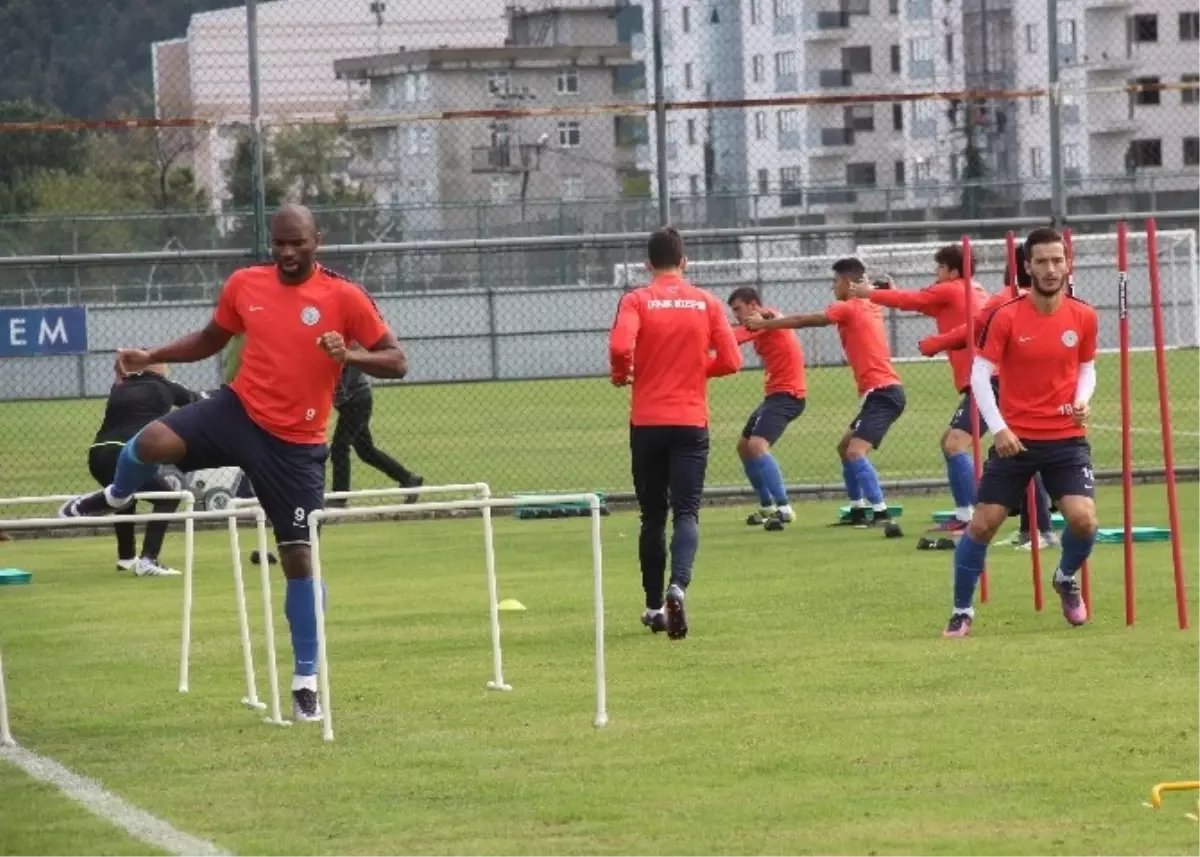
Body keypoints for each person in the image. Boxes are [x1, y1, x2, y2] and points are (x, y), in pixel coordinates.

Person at [57, 203, 407, 721]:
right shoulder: (246, 284)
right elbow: (209, 339)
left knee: (299, 559)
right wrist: (151, 356)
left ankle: (305, 682)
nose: (287, 252)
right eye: (279, 243)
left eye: (297, 243)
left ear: (318, 240)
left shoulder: (345, 296)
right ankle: (115, 495)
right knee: (150, 441)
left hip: (295, 444)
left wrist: (350, 356)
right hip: (237, 412)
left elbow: (397, 361)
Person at [942, 227, 1099, 637]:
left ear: (1068, 264)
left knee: (1084, 521)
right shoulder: (1007, 315)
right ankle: (961, 611)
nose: (1051, 269)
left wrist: (1082, 399)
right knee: (983, 524)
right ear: (1027, 267)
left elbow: (1086, 367)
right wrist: (999, 429)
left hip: (1065, 439)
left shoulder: (1084, 315)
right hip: (1015, 440)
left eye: (1057, 260)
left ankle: (1064, 577)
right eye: (1041, 261)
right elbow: (980, 376)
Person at [608, 226, 742, 640]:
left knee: (652, 516)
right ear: (685, 262)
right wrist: (697, 370)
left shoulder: (637, 299)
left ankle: (653, 607)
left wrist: (622, 374)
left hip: (648, 422)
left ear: (647, 264)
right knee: (687, 512)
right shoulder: (706, 302)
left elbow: (620, 347)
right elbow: (732, 360)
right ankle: (678, 587)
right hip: (690, 421)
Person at [744, 257, 904, 537]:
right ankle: (857, 509)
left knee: (855, 452)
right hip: (879, 393)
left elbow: (806, 320)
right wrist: (886, 286)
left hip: (884, 393)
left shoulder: (850, 307)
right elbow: (886, 290)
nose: (832, 286)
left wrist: (765, 324)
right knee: (844, 448)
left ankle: (880, 512)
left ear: (847, 283)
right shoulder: (871, 302)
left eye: (835, 281)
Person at [919, 244, 1058, 551]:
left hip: (1010, 386)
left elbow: (973, 330)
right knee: (1015, 452)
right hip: (1020, 383)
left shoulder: (1007, 298)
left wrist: (935, 343)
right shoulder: (1032, 300)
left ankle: (1032, 526)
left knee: (1014, 452)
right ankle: (1033, 528)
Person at [849, 246, 987, 536]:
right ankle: (966, 514)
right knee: (951, 443)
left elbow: (914, 300)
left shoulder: (952, 289)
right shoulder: (970, 290)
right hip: (983, 380)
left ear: (953, 271)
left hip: (985, 381)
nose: (936, 272)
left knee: (955, 445)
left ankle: (979, 516)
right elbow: (921, 304)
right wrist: (891, 293)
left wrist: (869, 293)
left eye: (939, 268)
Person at [88, 361, 207, 577]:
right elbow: (198, 402)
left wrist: (119, 372)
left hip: (97, 454)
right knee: (167, 498)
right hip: (125, 452)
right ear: (159, 368)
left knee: (124, 496)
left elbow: (120, 382)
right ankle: (148, 560)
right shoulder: (166, 386)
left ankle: (126, 559)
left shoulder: (122, 387)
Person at [726, 286, 807, 531]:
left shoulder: (766, 318)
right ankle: (767, 506)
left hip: (788, 395)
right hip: (774, 395)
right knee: (744, 447)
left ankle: (784, 508)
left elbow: (741, 334)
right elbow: (740, 331)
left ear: (753, 305)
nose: (737, 314)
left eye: (739, 309)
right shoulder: (761, 322)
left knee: (757, 446)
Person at [330, 364, 423, 505]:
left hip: (356, 401)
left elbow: (341, 380)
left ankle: (339, 498)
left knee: (339, 448)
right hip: (354, 400)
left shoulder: (340, 353)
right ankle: (408, 479)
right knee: (366, 451)